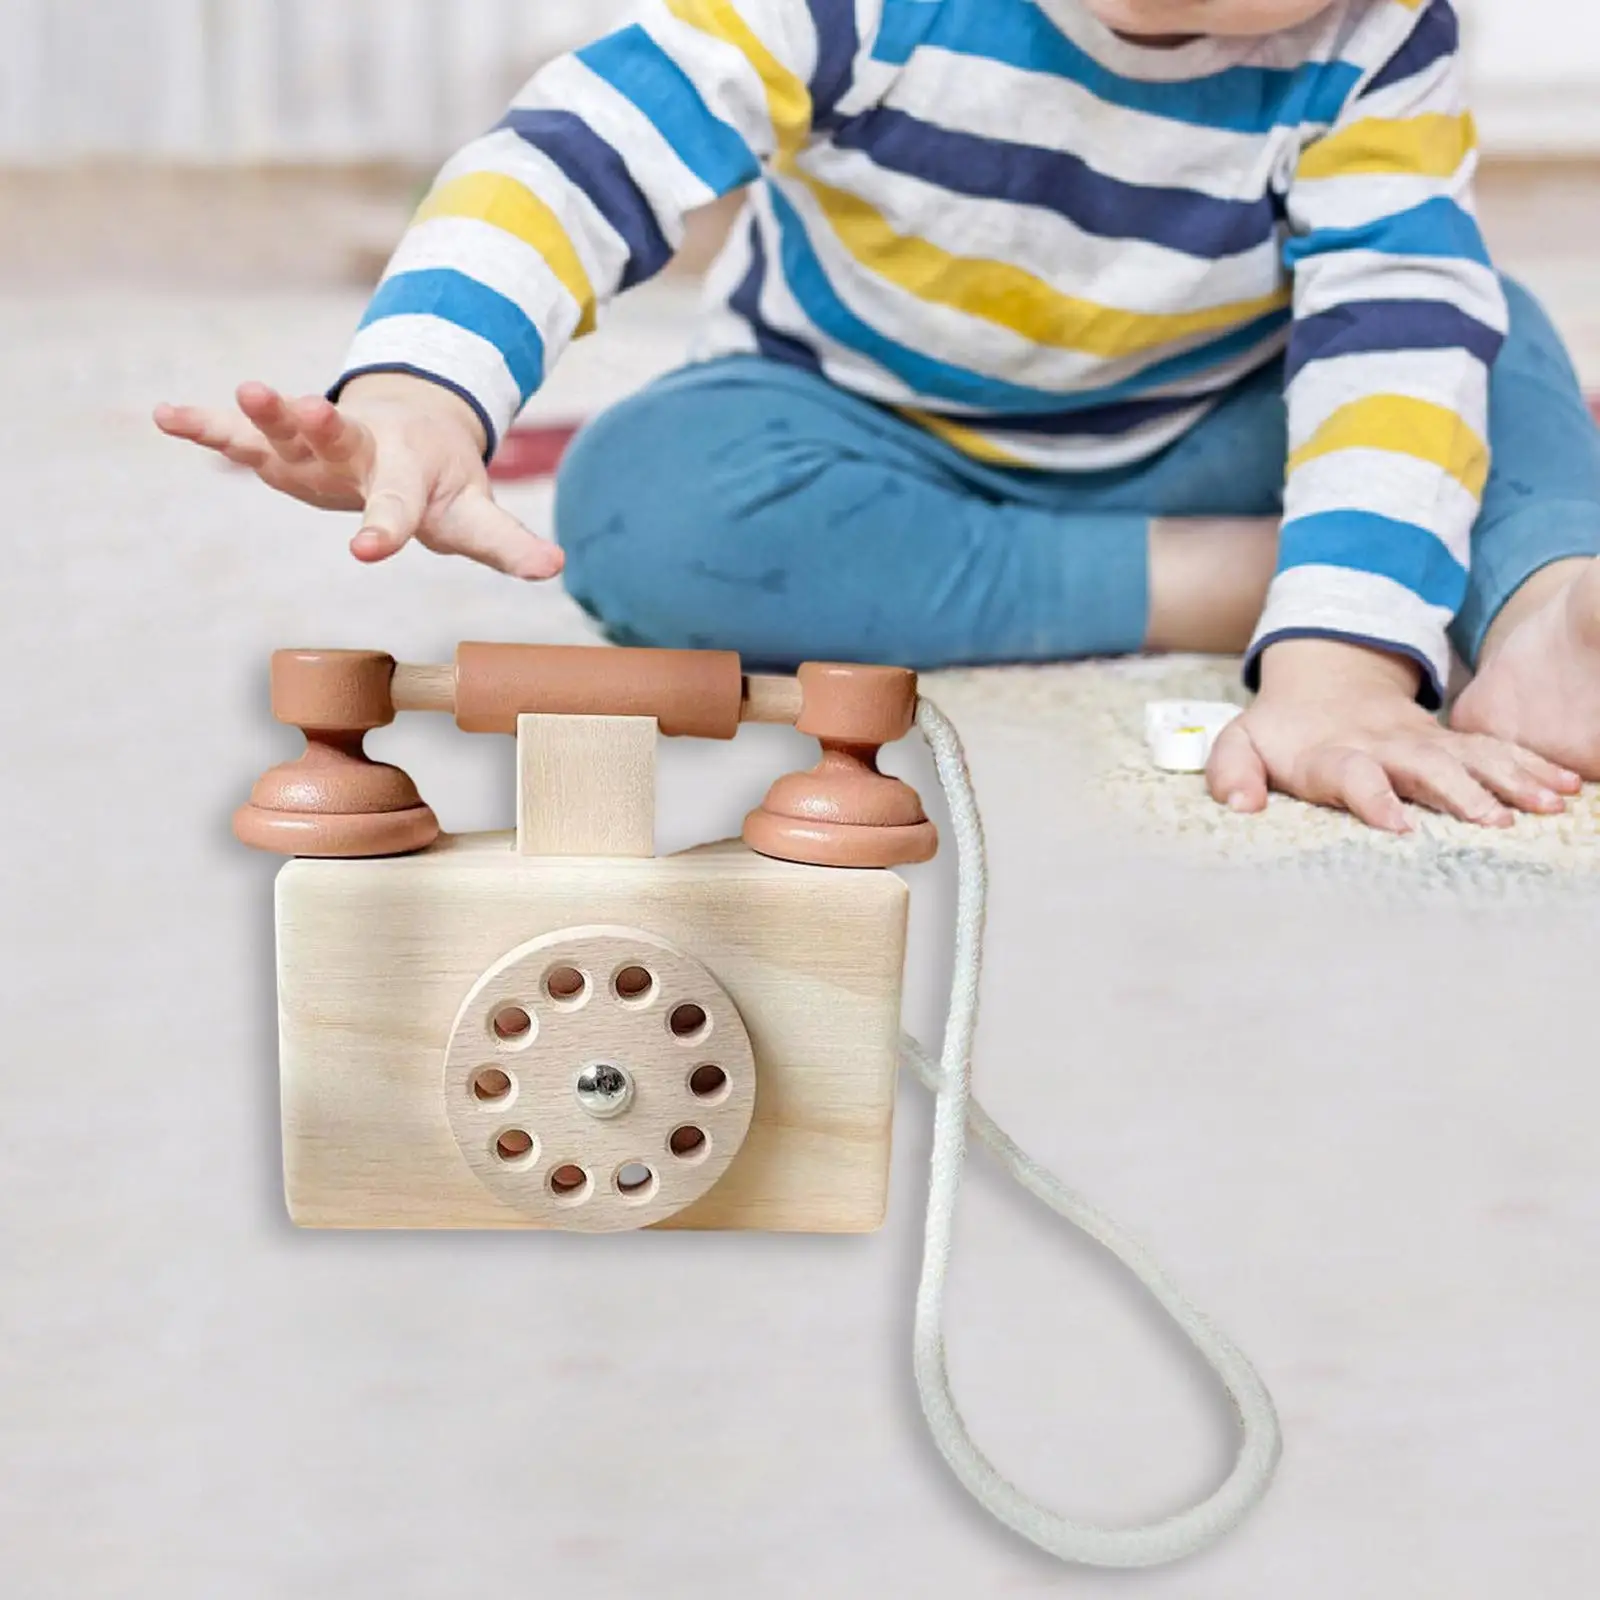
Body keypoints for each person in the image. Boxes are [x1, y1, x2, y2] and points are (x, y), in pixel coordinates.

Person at [155, 0, 1600, 833]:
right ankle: (1270, 580)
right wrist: (423, 386)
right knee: (643, 508)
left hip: (1225, 415)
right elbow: (579, 154)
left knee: (1475, 336)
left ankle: (1541, 602)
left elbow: (1391, 339)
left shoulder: (1379, 37)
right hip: (866, 431)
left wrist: (1343, 676)